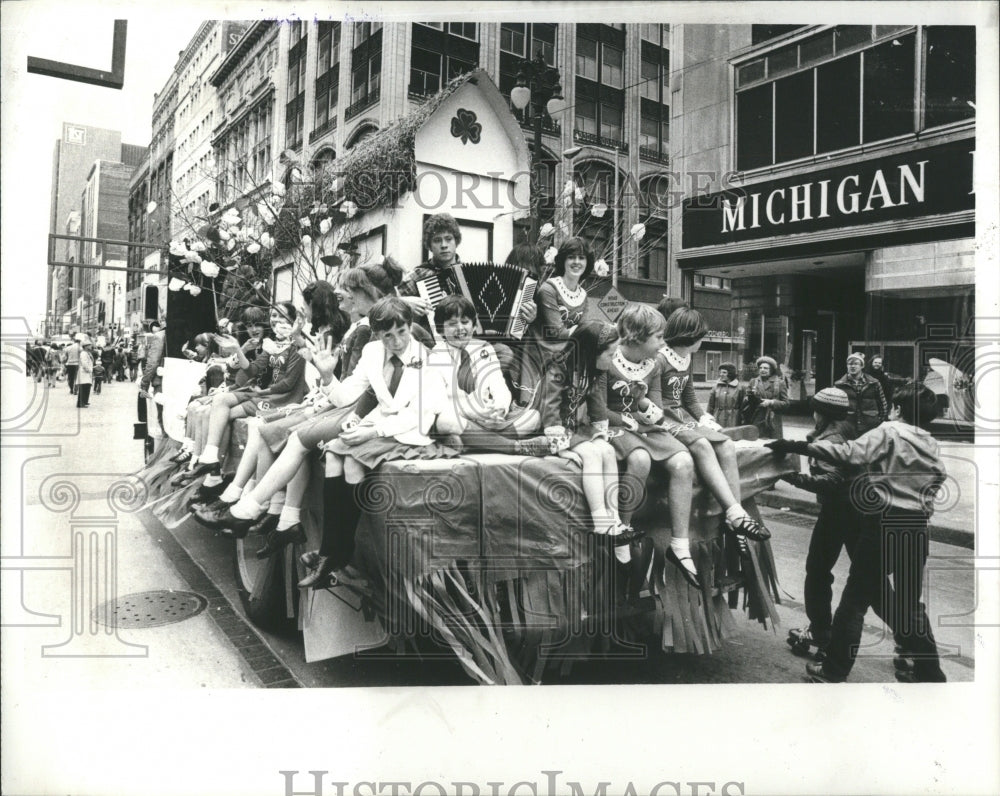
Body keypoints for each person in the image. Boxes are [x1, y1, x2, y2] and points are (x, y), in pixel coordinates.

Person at [767, 383, 948, 683]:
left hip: (882, 524)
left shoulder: (889, 431)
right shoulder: (930, 443)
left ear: (898, 409)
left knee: (854, 602)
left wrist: (797, 446)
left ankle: (833, 670)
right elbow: (937, 477)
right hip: (917, 528)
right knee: (910, 605)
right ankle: (930, 673)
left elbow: (848, 454)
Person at [655, 301, 773, 546]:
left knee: (726, 445)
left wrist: (702, 417)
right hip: (664, 418)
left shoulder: (684, 358)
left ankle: (736, 517)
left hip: (682, 417)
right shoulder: (660, 360)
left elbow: (688, 397)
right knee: (703, 446)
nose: (702, 342)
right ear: (692, 336)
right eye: (700, 337)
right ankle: (732, 510)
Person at [603, 304, 700, 584]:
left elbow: (656, 408)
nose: (663, 343)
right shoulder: (610, 359)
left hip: (644, 425)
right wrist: (634, 415)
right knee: (640, 460)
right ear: (636, 336)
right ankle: (622, 529)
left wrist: (643, 403)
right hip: (615, 425)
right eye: (658, 337)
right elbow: (599, 409)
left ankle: (679, 546)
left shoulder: (653, 364)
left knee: (683, 462)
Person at [533, 320, 637, 562]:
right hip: (547, 427)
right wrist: (560, 448)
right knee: (591, 455)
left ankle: (615, 520)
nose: (614, 358)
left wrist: (600, 432)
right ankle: (601, 522)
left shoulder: (592, 370)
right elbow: (549, 410)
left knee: (607, 452)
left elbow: (597, 405)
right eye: (610, 353)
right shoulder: (558, 369)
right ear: (592, 351)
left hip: (572, 427)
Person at [781, 387, 872, 661]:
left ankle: (821, 633)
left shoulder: (830, 438)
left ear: (822, 413)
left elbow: (832, 482)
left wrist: (792, 477)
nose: (813, 414)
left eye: (815, 409)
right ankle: (912, 643)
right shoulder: (847, 428)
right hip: (860, 508)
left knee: (818, 572)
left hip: (839, 511)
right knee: (871, 580)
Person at [426, 294, 545, 454]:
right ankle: (514, 447)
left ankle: (473, 442)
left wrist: (499, 410)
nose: (460, 328)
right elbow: (438, 404)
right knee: (445, 421)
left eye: (465, 322)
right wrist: (476, 413)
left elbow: (499, 386)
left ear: (474, 325)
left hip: (488, 418)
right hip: (459, 416)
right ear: (440, 329)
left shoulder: (484, 349)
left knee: (533, 417)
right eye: (452, 324)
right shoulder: (435, 357)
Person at [517, 236, 601, 408]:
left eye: (581, 258)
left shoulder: (583, 295)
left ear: (587, 262)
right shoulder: (548, 289)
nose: (576, 262)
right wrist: (586, 331)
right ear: (563, 260)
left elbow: (583, 334)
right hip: (540, 356)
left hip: (564, 356)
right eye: (571, 257)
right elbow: (557, 333)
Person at [836, 352, 888, 436]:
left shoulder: (874, 383)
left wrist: (878, 420)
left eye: (856, 364)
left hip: (870, 426)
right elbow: (835, 407)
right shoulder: (839, 385)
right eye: (850, 364)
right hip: (848, 426)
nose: (852, 366)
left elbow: (883, 403)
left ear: (862, 366)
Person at [744, 355, 788, 438]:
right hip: (756, 418)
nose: (762, 370)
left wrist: (771, 402)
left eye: (765, 368)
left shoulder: (780, 383)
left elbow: (786, 403)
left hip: (773, 420)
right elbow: (746, 399)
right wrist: (750, 399)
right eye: (760, 368)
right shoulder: (753, 382)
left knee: (772, 445)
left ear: (771, 370)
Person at [706, 362, 745, 429]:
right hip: (717, 418)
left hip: (734, 420)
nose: (721, 374)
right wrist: (708, 418)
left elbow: (743, 406)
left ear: (730, 373)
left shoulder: (740, 388)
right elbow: (710, 405)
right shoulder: (716, 387)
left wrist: (743, 420)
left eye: (724, 372)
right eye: (720, 372)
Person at [76, 337, 94, 408]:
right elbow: (84, 363)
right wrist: (89, 370)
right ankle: (81, 403)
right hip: (84, 372)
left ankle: (85, 401)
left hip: (87, 373)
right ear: (85, 346)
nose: (90, 346)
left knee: (87, 387)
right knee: (83, 388)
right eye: (89, 345)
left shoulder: (87, 353)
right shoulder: (83, 353)